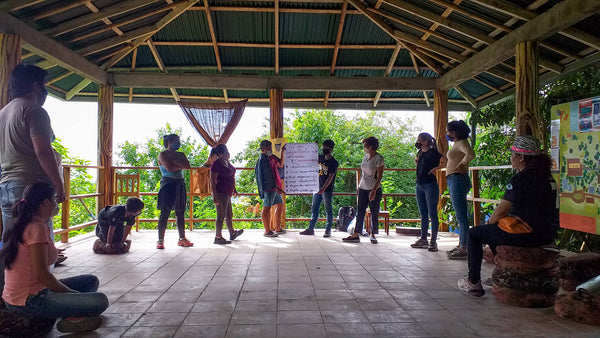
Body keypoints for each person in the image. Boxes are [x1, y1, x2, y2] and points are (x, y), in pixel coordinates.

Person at [458, 136, 559, 297]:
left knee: (475, 233)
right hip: (547, 235)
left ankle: (473, 282)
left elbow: (500, 211)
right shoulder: (548, 178)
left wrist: (489, 223)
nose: (511, 159)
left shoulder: (522, 178)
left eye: (512, 155)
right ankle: (505, 273)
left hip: (527, 234)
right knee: (493, 232)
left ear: (521, 157)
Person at [1, 183, 108, 333]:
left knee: (90, 281)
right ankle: (72, 314)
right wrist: (70, 293)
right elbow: (42, 275)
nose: (56, 204)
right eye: (54, 199)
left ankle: (71, 312)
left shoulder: (23, 222)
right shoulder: (37, 227)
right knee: (100, 300)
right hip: (30, 300)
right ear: (46, 202)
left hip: (28, 293)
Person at [0, 64, 66, 294]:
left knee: (10, 244)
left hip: (7, 185)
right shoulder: (34, 111)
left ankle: (8, 296)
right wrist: (58, 185)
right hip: (31, 188)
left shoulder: (3, 113)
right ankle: (41, 298)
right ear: (37, 86)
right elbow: (43, 152)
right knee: (42, 246)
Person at [343, 137, 384, 244]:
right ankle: (356, 234)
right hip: (363, 188)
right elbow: (363, 172)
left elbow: (379, 176)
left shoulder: (379, 158)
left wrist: (374, 191)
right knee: (360, 211)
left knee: (374, 212)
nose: (364, 147)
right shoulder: (365, 157)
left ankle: (373, 234)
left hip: (373, 188)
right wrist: (359, 186)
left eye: (365, 145)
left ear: (371, 146)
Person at [156, 134, 193, 249]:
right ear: (169, 142)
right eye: (176, 141)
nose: (178, 143)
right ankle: (160, 240)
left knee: (180, 212)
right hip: (167, 184)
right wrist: (179, 164)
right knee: (165, 212)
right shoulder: (162, 154)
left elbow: (188, 166)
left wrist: (174, 162)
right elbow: (169, 169)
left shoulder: (181, 154)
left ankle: (182, 238)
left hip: (180, 184)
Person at [445, 120, 475, 259]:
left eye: (448, 131)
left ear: (454, 132)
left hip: (457, 179)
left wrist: (462, 164)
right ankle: (462, 244)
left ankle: (465, 247)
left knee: (462, 216)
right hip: (453, 179)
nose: (447, 134)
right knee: (460, 215)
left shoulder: (462, 142)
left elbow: (470, 154)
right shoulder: (457, 144)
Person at [411, 133, 444, 252]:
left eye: (419, 140)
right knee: (423, 213)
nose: (418, 142)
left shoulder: (434, 153)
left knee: (432, 213)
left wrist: (435, 169)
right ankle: (423, 238)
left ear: (425, 141)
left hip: (430, 184)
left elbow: (445, 161)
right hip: (419, 184)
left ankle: (433, 241)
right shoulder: (420, 153)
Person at [300, 140, 339, 238]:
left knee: (328, 210)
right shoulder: (320, 158)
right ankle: (310, 228)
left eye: (326, 147)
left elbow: (330, 177)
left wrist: (323, 188)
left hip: (327, 189)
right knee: (314, 209)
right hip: (316, 187)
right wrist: (313, 147)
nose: (324, 149)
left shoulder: (334, 163)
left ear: (331, 149)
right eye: (323, 147)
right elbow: (310, 158)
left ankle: (328, 230)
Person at [210, 144, 244, 244]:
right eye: (225, 152)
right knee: (221, 215)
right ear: (220, 154)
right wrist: (215, 196)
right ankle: (218, 237)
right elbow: (212, 180)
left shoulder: (226, 162)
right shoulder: (216, 164)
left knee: (229, 214)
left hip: (228, 192)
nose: (227, 153)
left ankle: (232, 233)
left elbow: (231, 176)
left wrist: (234, 188)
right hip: (220, 192)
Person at [255, 140, 285, 237]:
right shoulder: (262, 160)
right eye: (269, 148)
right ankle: (267, 231)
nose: (270, 149)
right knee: (266, 208)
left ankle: (278, 228)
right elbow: (268, 176)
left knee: (280, 205)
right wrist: (276, 187)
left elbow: (280, 164)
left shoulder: (270, 158)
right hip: (269, 187)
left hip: (275, 187)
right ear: (263, 149)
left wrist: (283, 152)